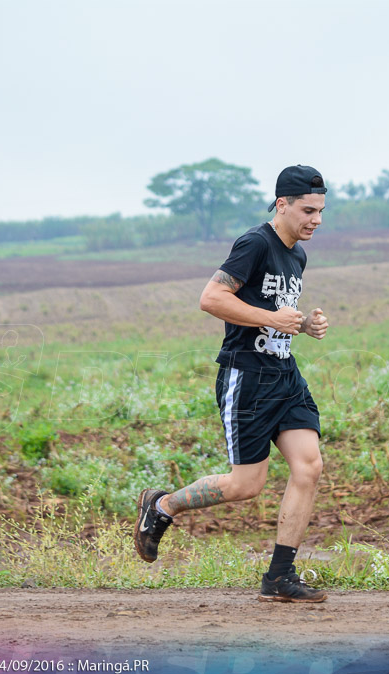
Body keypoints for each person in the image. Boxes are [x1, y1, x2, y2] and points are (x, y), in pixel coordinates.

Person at [134, 164, 330, 603]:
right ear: (282, 204)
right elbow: (212, 299)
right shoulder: (255, 243)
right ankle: (162, 506)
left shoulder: (297, 252)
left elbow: (274, 310)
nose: (316, 219)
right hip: (247, 377)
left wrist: (304, 325)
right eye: (307, 210)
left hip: (285, 375)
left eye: (320, 211)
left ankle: (279, 578)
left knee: (309, 466)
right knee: (246, 485)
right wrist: (273, 319)